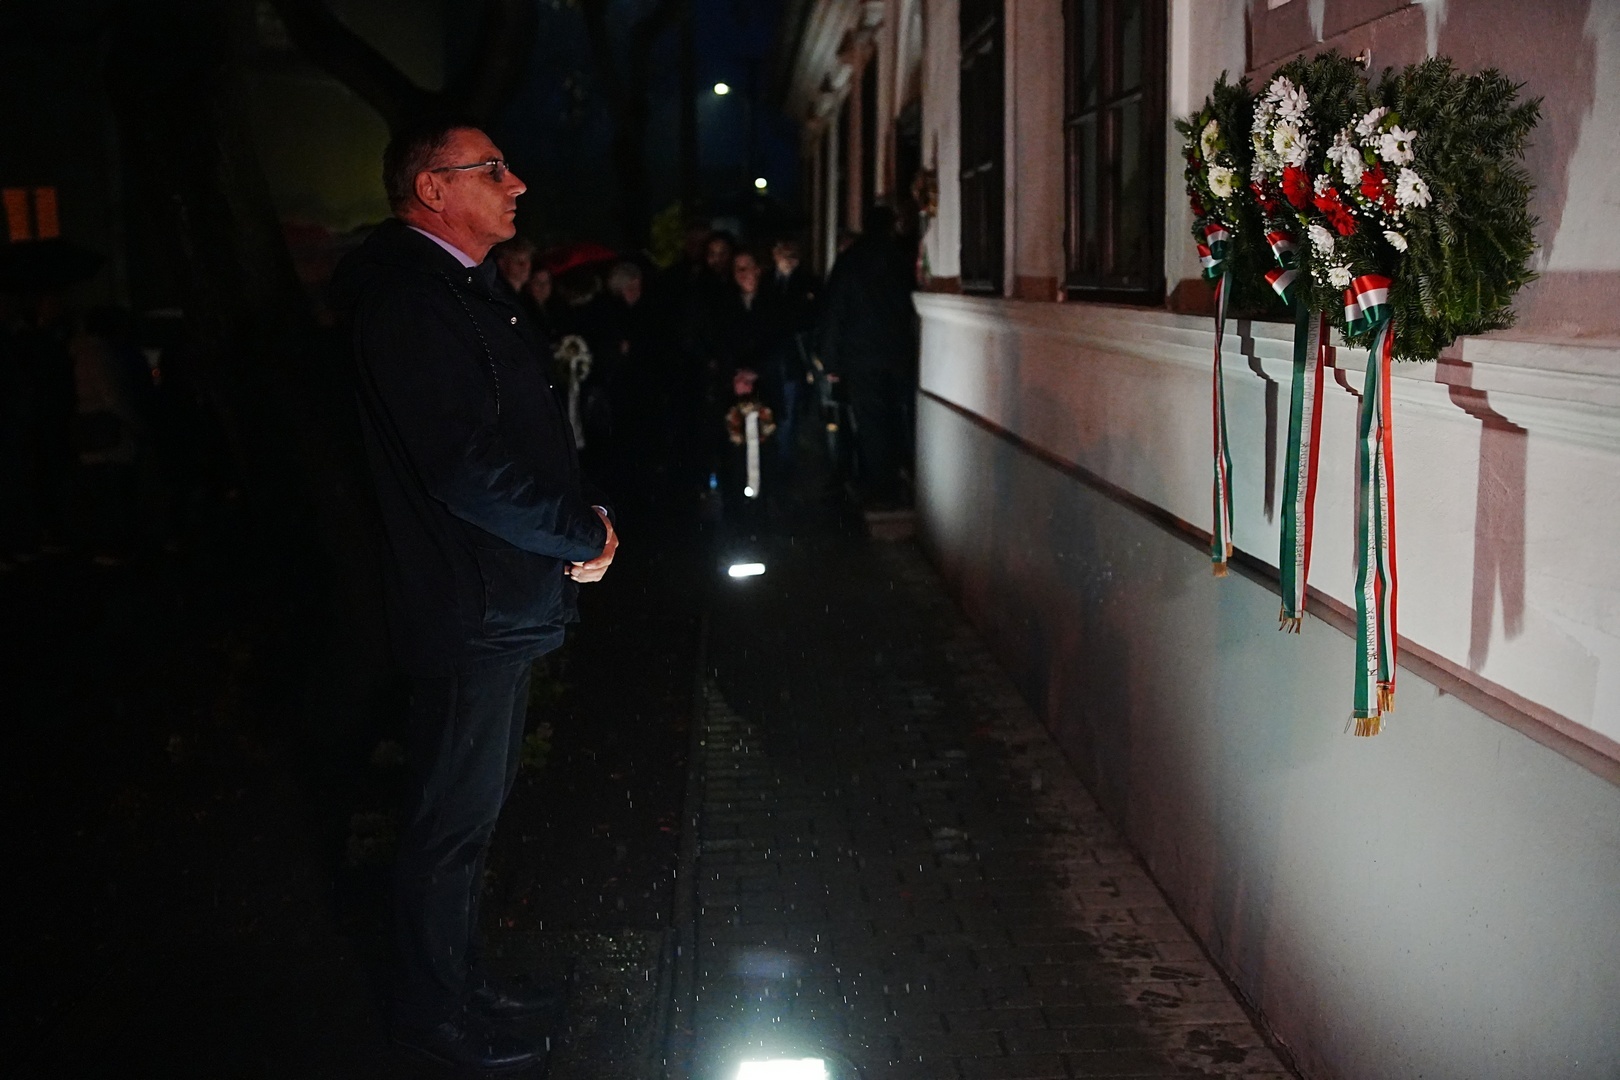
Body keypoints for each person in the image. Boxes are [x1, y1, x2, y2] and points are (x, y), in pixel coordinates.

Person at [331, 116, 618, 1072]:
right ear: (433, 190)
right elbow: (465, 467)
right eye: (492, 169)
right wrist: (577, 532)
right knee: (448, 824)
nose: (517, 183)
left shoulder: (459, 293)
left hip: (496, 595)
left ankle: (460, 983)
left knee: (469, 818)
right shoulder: (413, 304)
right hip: (470, 602)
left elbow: (517, 442)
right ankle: (433, 1014)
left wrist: (581, 520)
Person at [817, 205, 918, 510]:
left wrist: (830, 360)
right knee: (899, 417)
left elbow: (834, 311)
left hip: (861, 357)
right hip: (898, 353)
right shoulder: (901, 258)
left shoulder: (851, 260)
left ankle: (881, 486)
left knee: (871, 422)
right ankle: (901, 476)